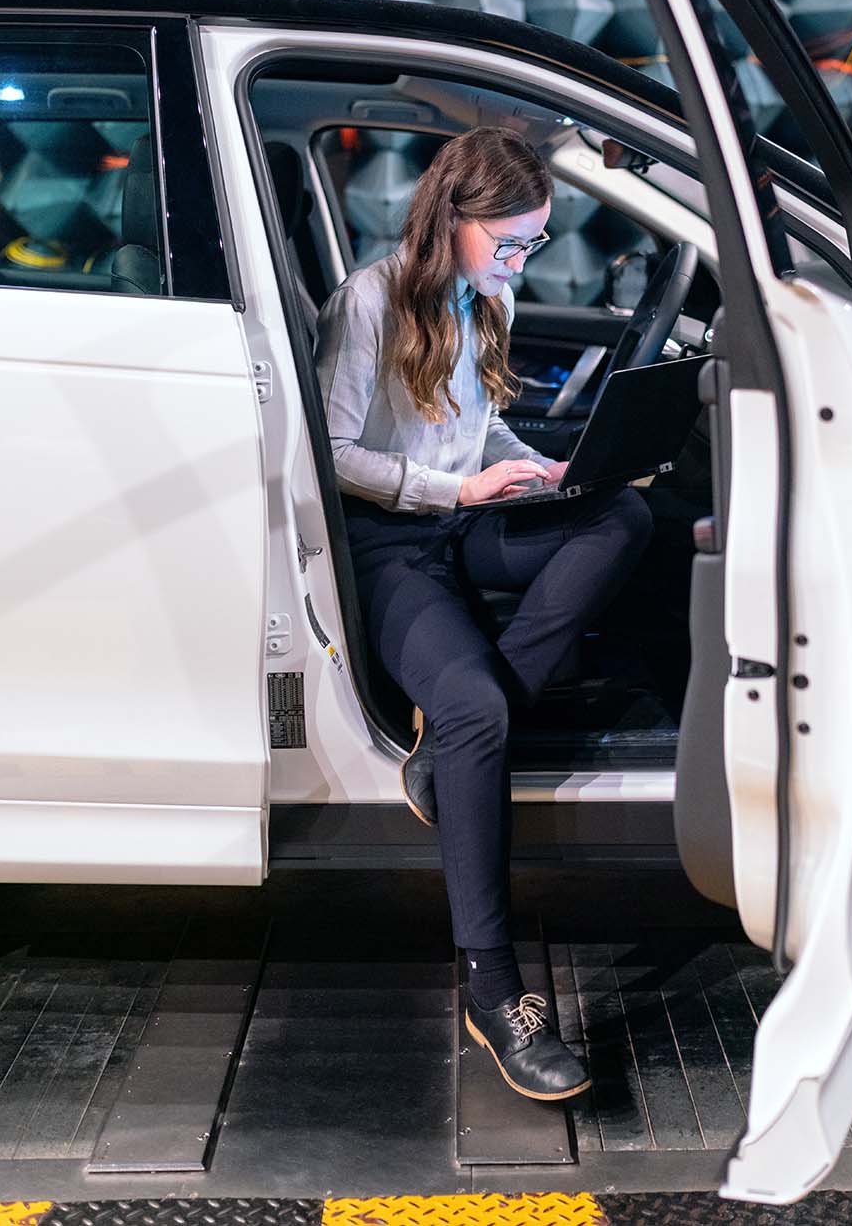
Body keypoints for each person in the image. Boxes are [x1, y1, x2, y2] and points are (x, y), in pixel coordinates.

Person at [315, 126, 654, 1102]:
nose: (518, 262)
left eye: (532, 245)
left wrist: (534, 468)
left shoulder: (484, 297)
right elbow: (331, 453)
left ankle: (451, 744)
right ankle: (493, 988)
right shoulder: (370, 302)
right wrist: (452, 495)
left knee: (619, 514)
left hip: (463, 517)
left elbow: (470, 418)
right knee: (476, 709)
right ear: (452, 219)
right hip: (390, 540)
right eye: (510, 242)